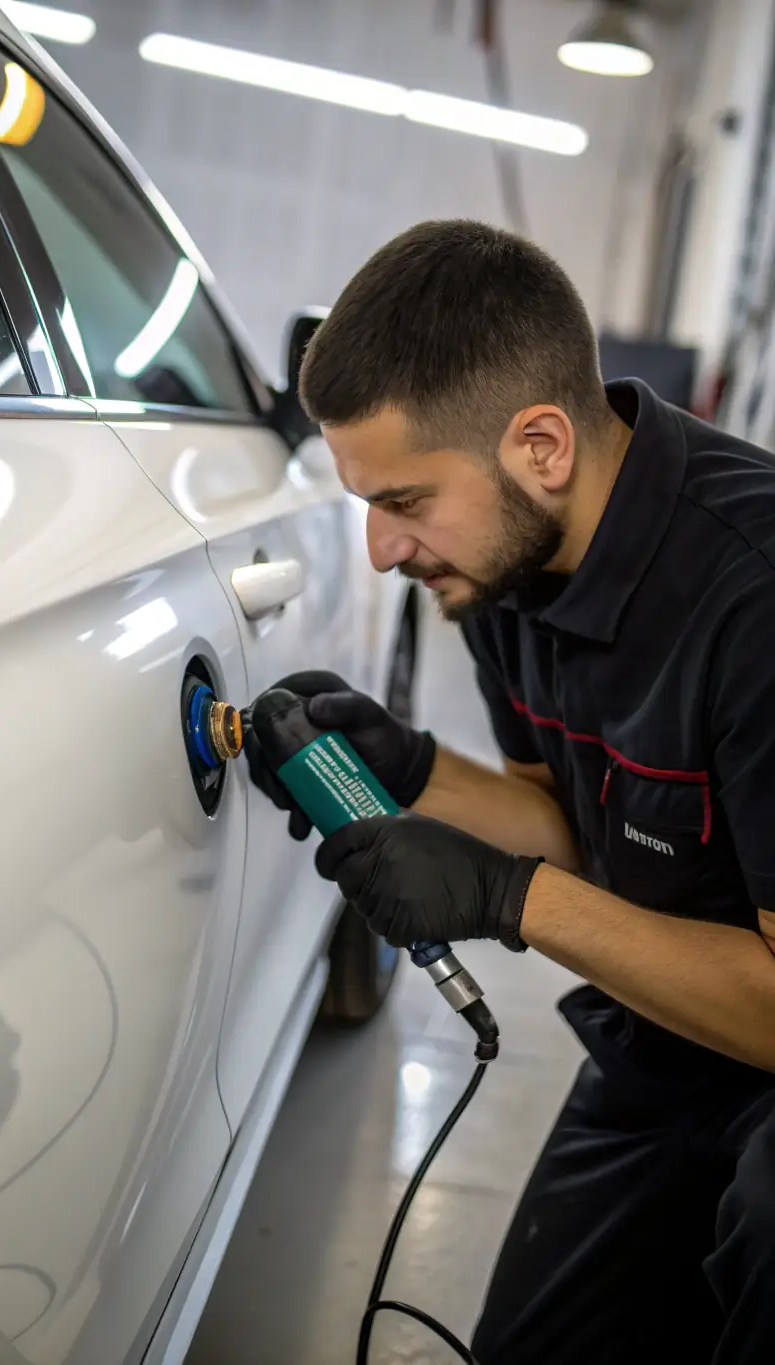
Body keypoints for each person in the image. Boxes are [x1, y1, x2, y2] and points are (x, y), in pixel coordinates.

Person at [246, 220, 775, 1365]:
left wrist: (506, 900)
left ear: (540, 445)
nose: (381, 550)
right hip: (675, 1044)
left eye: (403, 501)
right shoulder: (506, 558)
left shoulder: (755, 598)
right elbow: (566, 823)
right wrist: (413, 769)